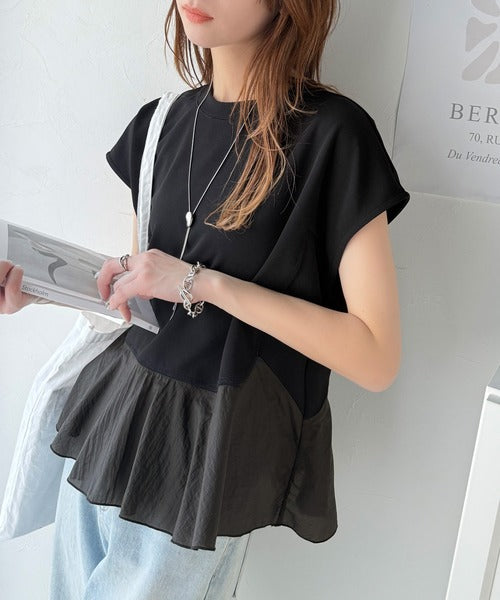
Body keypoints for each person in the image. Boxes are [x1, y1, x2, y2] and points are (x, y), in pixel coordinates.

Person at [0, 0, 411, 598]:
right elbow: (147, 306)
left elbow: (375, 356)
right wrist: (41, 288)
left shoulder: (333, 136)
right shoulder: (160, 124)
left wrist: (203, 283)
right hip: (109, 428)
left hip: (203, 458)